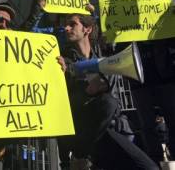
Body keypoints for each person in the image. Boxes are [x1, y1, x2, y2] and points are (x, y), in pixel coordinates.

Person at [57, 13, 159, 170]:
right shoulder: (63, 60)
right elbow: (63, 103)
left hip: (105, 131)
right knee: (108, 102)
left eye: (72, 24)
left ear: (87, 29)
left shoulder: (102, 60)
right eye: (66, 24)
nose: (66, 28)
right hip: (81, 129)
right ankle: (80, 156)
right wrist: (87, 92)